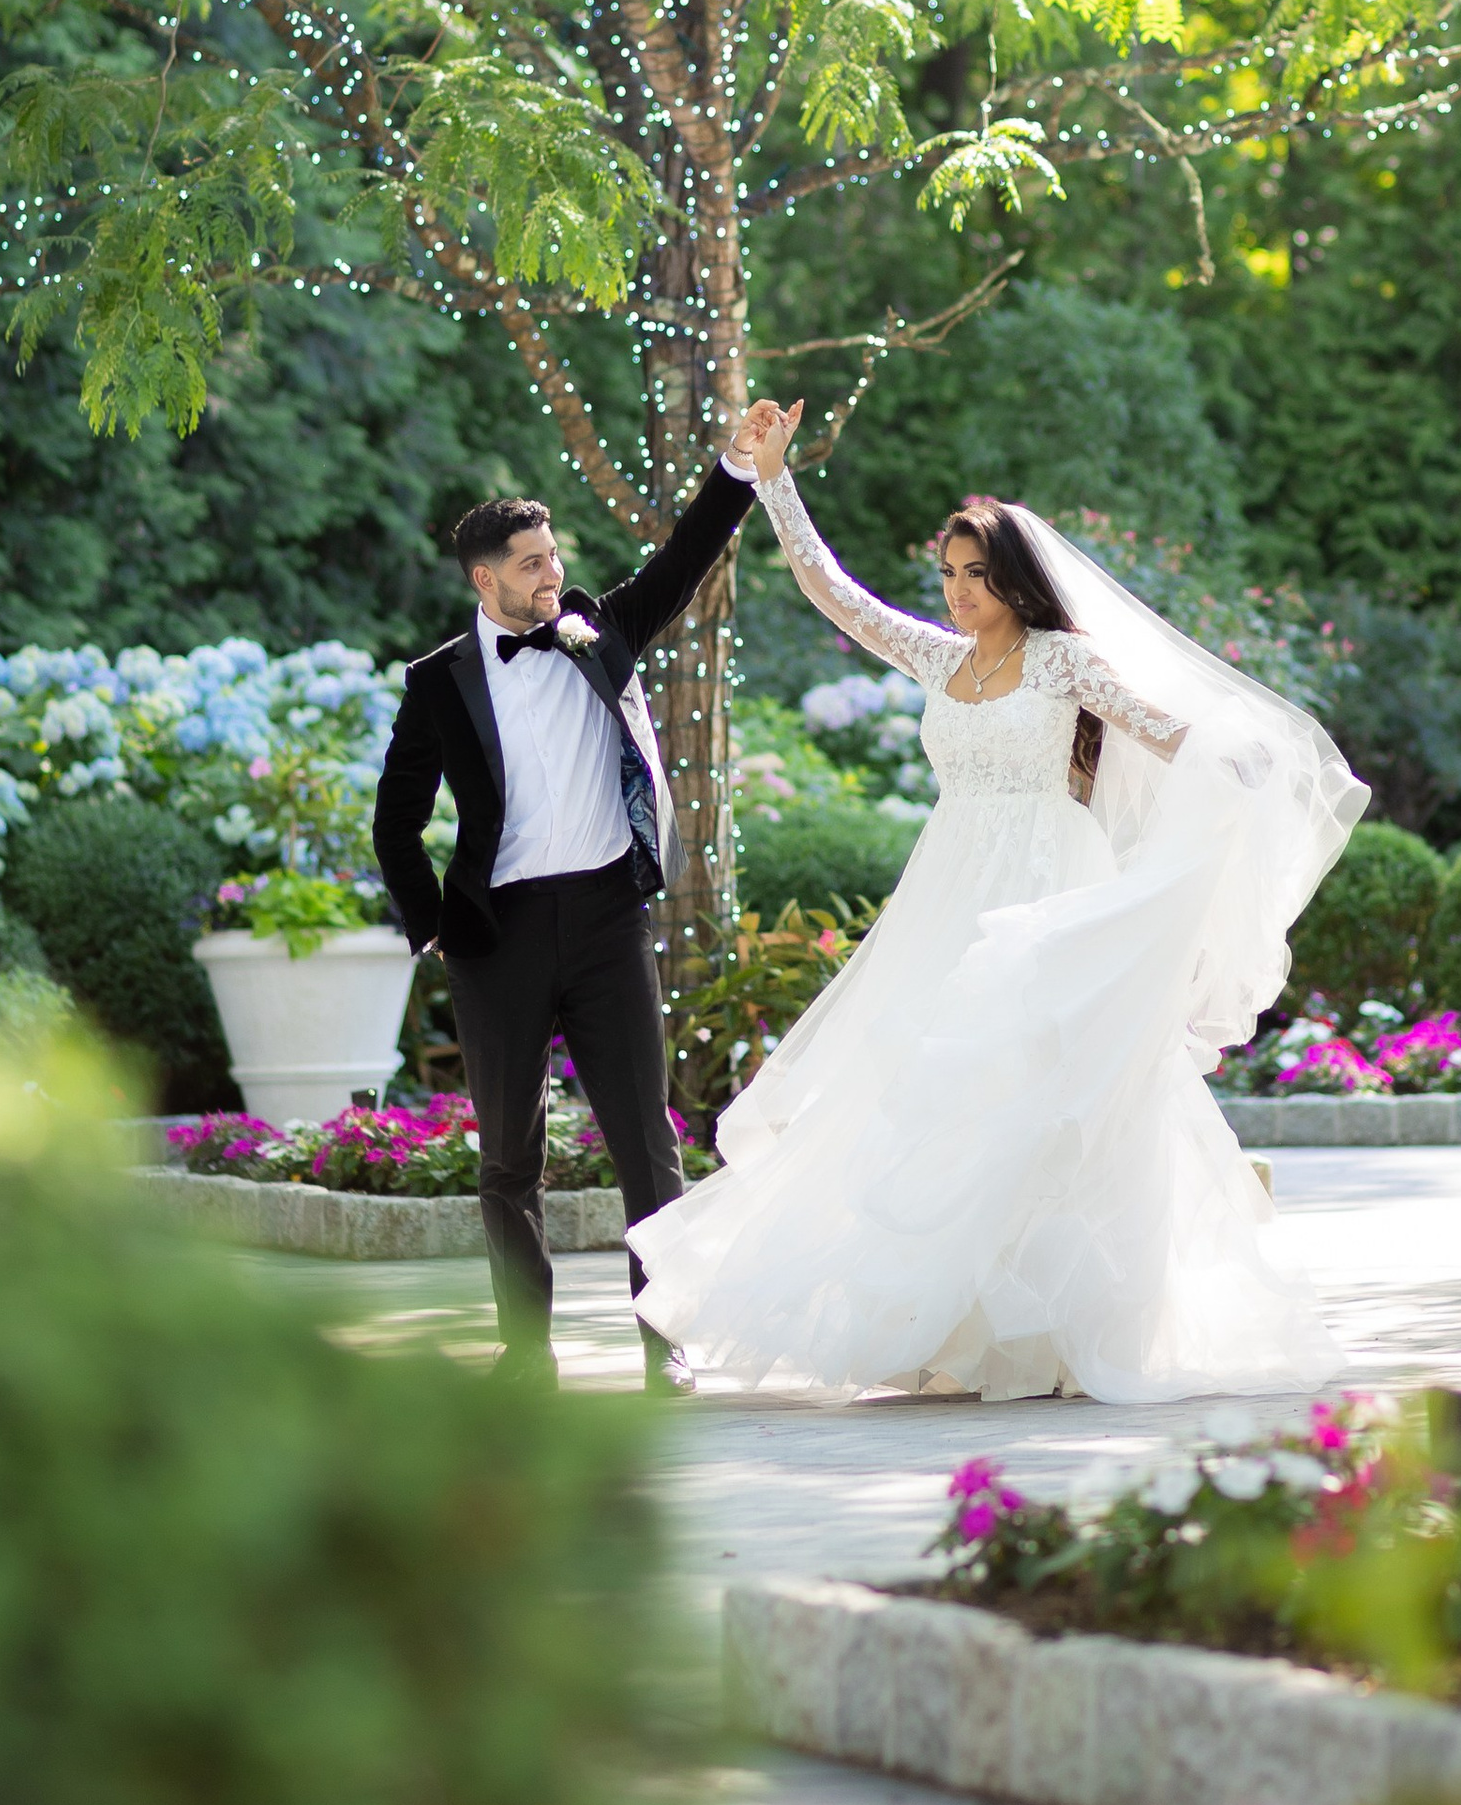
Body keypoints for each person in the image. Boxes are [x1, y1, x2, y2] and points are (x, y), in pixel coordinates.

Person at [634, 403, 1372, 1402]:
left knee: (1046, 1096)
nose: (957, 591)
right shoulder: (941, 658)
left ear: (1015, 578)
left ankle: (1055, 1332)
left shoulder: (1062, 659)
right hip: (949, 887)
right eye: (947, 574)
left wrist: (1232, 756)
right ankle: (940, 1330)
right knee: (931, 1098)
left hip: (1047, 886)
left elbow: (1159, 729)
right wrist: (774, 481)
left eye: (974, 573)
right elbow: (833, 594)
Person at [372, 413, 773, 1389]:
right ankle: (524, 1352)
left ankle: (661, 1342)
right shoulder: (437, 683)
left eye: (553, 557)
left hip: (604, 920)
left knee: (647, 1145)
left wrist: (737, 468)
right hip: (496, 937)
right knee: (507, 1163)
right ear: (485, 579)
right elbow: (396, 817)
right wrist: (433, 928)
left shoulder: (600, 636)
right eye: (530, 564)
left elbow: (681, 560)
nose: (550, 575)